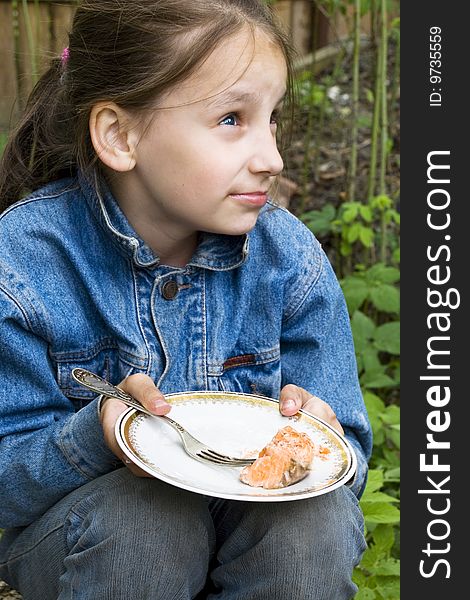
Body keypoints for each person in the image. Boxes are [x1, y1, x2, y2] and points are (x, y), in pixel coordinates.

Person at [0, 0, 372, 598]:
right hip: (87, 535)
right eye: (231, 119)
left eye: (272, 118)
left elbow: (349, 450)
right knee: (149, 521)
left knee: (308, 523)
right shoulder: (22, 266)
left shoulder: (288, 258)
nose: (272, 158)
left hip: (253, 521)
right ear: (120, 136)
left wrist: (325, 443)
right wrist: (98, 434)